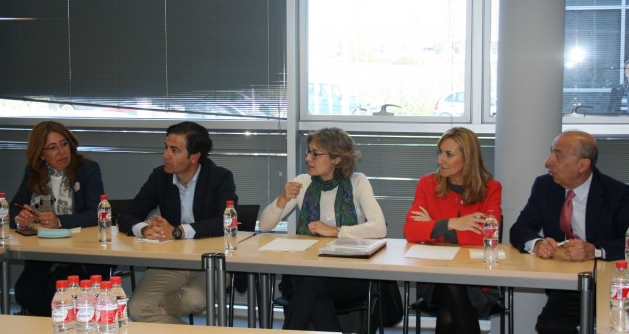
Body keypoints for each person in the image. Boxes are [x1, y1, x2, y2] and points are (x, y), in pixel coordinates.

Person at [259, 127, 387, 332]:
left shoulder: (357, 182)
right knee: (316, 295)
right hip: (307, 274)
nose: (308, 158)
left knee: (311, 286)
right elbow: (265, 225)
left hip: (349, 276)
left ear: (336, 159)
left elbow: (379, 228)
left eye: (315, 154)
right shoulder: (303, 182)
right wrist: (283, 199)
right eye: (308, 152)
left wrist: (336, 231)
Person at [117, 121, 237, 324]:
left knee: (192, 300)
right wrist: (144, 229)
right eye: (166, 147)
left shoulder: (219, 178)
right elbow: (127, 216)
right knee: (136, 308)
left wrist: (179, 231)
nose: (166, 155)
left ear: (194, 156)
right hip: (172, 261)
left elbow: (225, 222)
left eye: (174, 150)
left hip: (212, 261)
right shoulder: (159, 177)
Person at [510, 130, 629, 333]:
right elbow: (520, 229)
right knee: (550, 326)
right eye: (551, 153)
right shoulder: (545, 186)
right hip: (568, 284)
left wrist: (595, 250)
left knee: (612, 328)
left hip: (611, 282)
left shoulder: (617, 193)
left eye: (558, 155)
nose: (549, 161)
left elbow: (625, 243)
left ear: (583, 165)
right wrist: (537, 243)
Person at [403, 127, 502, 334]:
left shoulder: (490, 188)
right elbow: (411, 230)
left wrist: (433, 227)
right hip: (434, 278)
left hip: (477, 281)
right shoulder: (427, 184)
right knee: (451, 288)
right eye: (440, 153)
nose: (440, 160)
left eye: (448, 154)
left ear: (468, 157)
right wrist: (453, 223)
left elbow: (486, 237)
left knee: (450, 309)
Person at [9, 120, 111, 316]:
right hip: (44, 254)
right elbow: (15, 207)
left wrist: (60, 221)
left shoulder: (87, 169)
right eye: (52, 148)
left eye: (64, 144)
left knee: (54, 296)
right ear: (41, 154)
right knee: (25, 292)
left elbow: (96, 213)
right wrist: (21, 219)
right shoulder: (33, 172)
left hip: (81, 256)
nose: (61, 152)